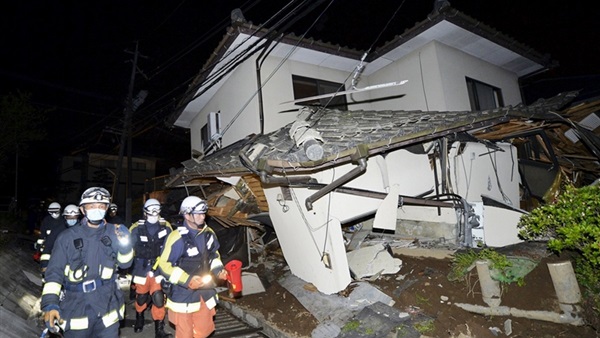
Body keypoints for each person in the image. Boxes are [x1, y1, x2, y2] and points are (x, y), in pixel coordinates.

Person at [41, 187, 134, 337]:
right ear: (83, 210)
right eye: (92, 206)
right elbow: (54, 273)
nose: (97, 209)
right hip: (76, 308)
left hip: (107, 307)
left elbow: (125, 264)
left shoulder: (115, 232)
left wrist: (125, 245)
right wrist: (50, 303)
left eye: (101, 206)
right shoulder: (67, 237)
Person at [157, 196, 228, 338]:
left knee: (204, 331)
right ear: (187, 215)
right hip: (183, 295)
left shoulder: (209, 234)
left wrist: (218, 270)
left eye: (204, 213)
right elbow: (164, 265)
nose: (203, 217)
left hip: (204, 292)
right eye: (198, 214)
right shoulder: (176, 238)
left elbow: (214, 255)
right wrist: (187, 280)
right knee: (185, 334)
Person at [129, 198, 173, 337]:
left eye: (157, 209)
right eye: (151, 210)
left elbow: (171, 247)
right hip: (141, 268)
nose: (154, 213)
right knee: (141, 297)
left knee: (158, 298)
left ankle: (159, 329)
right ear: (145, 212)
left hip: (159, 267)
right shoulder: (136, 228)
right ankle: (139, 318)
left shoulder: (166, 227)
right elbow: (128, 249)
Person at [37, 202, 67, 276]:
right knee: (46, 262)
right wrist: (39, 246)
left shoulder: (64, 220)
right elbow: (42, 234)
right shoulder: (47, 220)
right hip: (48, 245)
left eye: (56, 211)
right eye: (51, 211)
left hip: (61, 246)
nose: (54, 213)